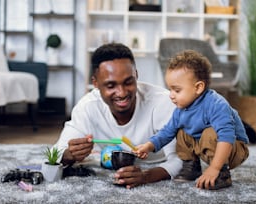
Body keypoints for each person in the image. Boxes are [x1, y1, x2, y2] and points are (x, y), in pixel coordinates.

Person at [53, 43, 182, 189]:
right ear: (95, 83)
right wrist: (69, 154)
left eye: (128, 82)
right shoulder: (88, 106)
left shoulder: (163, 102)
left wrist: (146, 176)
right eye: (110, 86)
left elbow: (183, 161)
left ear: (136, 75)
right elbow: (54, 153)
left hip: (159, 163)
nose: (121, 93)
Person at [134, 50, 249, 190]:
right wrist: (149, 145)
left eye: (176, 90)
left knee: (210, 133)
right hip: (209, 146)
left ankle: (222, 173)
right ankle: (191, 166)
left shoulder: (216, 104)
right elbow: (167, 131)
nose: (171, 95)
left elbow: (226, 137)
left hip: (234, 148)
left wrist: (214, 167)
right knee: (181, 132)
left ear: (198, 87)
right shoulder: (180, 111)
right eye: (169, 89)